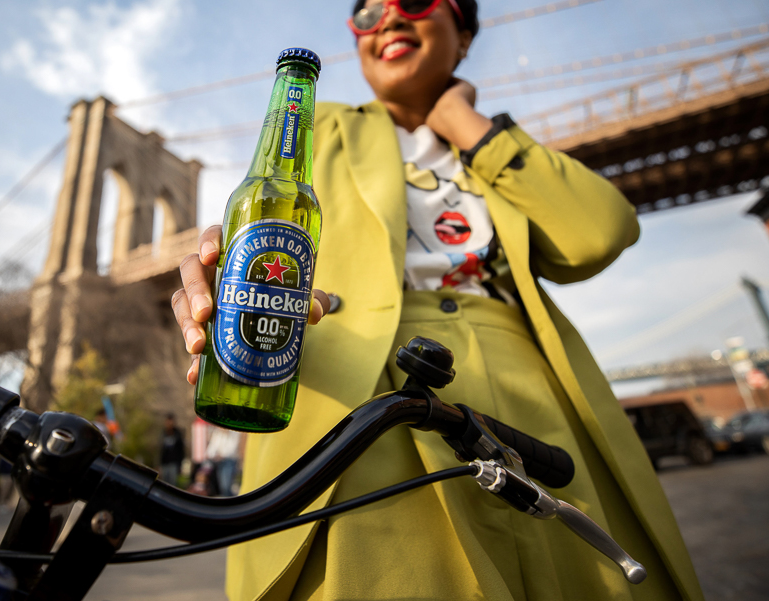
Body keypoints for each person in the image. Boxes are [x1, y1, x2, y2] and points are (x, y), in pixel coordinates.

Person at [172, 1, 704, 599]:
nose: (389, 19)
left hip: (535, 403)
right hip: (368, 403)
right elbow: (264, 230)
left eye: (416, 2)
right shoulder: (316, 126)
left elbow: (599, 233)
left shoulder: (496, 147)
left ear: (465, 35)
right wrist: (219, 271)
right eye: (367, 13)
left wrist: (463, 121)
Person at [206, 426, 243, 497]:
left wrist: (222, 455)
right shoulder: (217, 433)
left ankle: (230, 499)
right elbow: (212, 447)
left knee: (226, 485)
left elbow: (232, 449)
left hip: (229, 462)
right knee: (221, 486)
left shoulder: (234, 433)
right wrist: (211, 454)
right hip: (218, 462)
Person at [160, 413, 186, 486]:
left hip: (174, 463)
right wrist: (159, 464)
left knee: (172, 483)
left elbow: (181, 450)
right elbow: (160, 450)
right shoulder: (163, 433)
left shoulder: (177, 434)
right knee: (164, 483)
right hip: (165, 463)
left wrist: (180, 464)